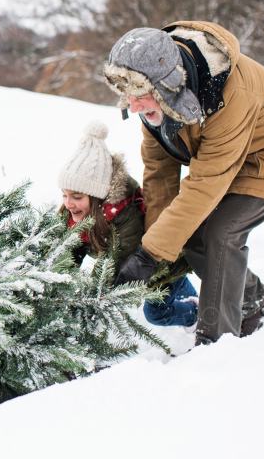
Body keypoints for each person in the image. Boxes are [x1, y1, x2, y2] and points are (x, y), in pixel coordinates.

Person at [104, 21, 264, 344]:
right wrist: (156, 249)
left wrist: (148, 255)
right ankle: (256, 299)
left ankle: (215, 344)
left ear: (167, 85)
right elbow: (159, 176)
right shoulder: (157, 102)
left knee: (222, 232)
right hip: (229, 153)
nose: (132, 107)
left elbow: (204, 188)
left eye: (140, 95)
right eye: (127, 95)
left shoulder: (227, 97)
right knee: (186, 233)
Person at [58, 119, 198, 330]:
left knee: (158, 313)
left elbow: (111, 270)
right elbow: (64, 248)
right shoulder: (75, 213)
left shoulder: (125, 220)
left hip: (158, 265)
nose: (68, 204)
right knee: (177, 285)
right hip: (141, 269)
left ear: (98, 197)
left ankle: (196, 313)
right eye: (65, 195)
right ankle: (188, 293)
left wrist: (82, 297)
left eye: (76, 196)